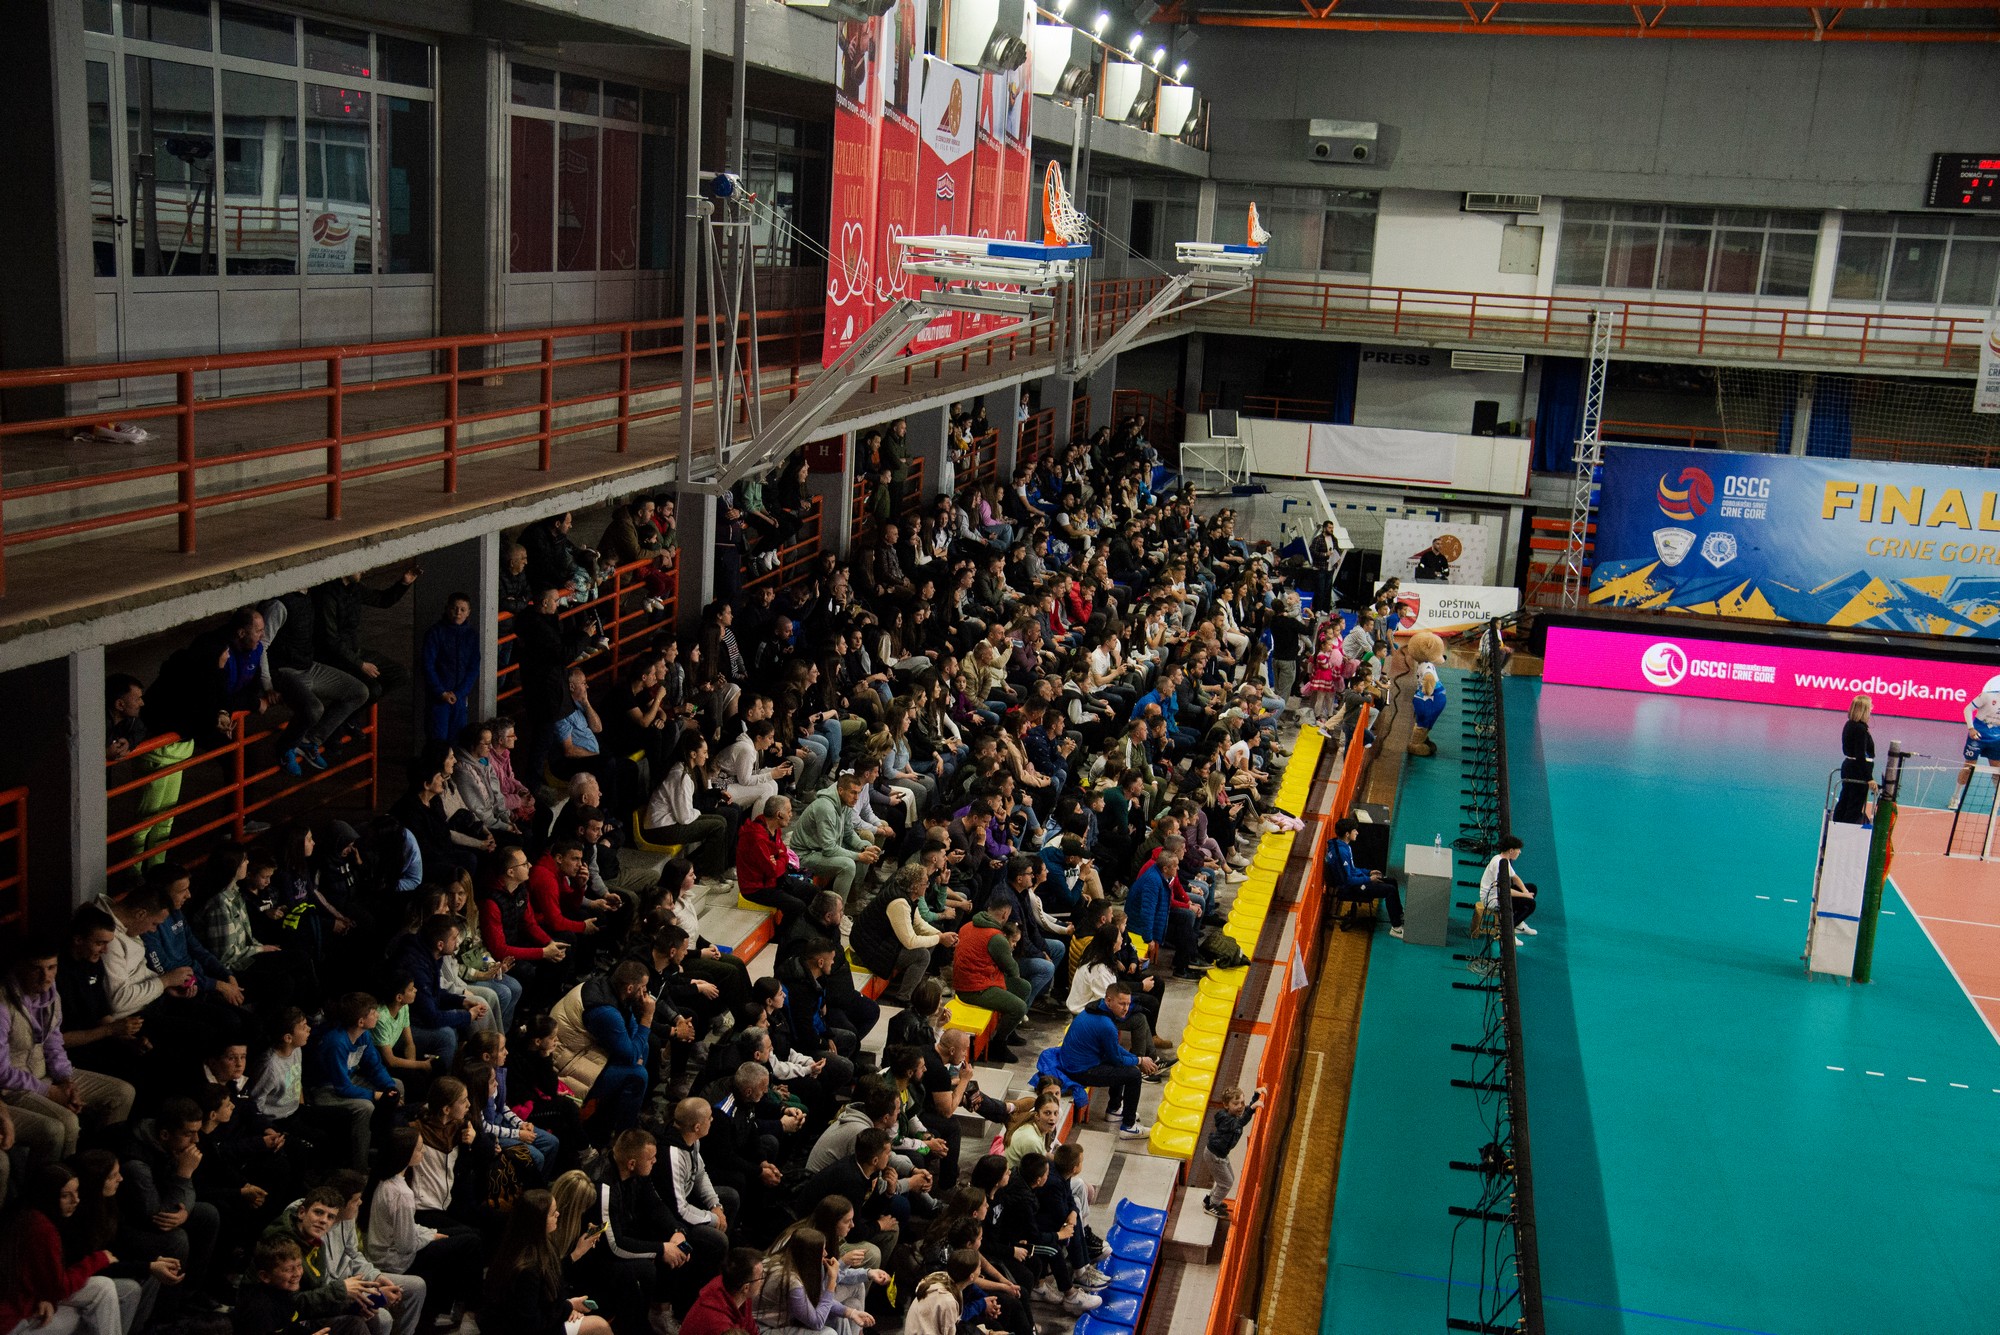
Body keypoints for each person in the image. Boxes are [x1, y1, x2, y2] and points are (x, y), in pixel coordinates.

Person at [0, 939, 136, 1165]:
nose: (46, 976)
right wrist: (50, 1091)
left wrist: (66, 1081)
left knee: (122, 1092)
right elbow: (3, 1072)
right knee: (66, 1123)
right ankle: (59, 1183)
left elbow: (54, 1043)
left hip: (47, 1076)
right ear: (21, 968)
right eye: (37, 968)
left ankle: (99, 1166)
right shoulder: (4, 1004)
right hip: (15, 1087)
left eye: (52, 968)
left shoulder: (51, 994)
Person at [0, 1163, 134, 1335]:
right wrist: (98, 1260)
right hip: (11, 1324)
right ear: (48, 1196)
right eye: (65, 1196)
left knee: (99, 1293)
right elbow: (59, 1287)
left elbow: (41, 1281)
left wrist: (44, 1298)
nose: (75, 1200)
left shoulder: (26, 1214)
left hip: (28, 1305)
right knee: (93, 1303)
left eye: (76, 1192)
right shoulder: (41, 1228)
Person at [478, 1189, 612, 1335]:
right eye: (553, 1213)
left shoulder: (532, 1244)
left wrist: (577, 1253)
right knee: (599, 1326)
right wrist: (567, 1307)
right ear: (539, 1220)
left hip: (539, 1317)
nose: (558, 1214)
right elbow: (531, 1324)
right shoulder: (527, 1267)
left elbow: (552, 1281)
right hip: (523, 1328)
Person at [1055, 983, 1156, 1138]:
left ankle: (1114, 1110)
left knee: (1126, 1066)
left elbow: (1114, 1049)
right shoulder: (1106, 1025)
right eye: (1122, 1003)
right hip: (1080, 1071)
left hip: (1078, 1062)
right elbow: (1116, 1060)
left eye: (1128, 1004)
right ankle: (1129, 1127)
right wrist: (1140, 1061)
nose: (1126, 1008)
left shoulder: (1095, 1009)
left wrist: (1137, 1059)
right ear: (1109, 1001)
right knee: (1133, 1075)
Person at [1324, 817, 1403, 939]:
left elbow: (1352, 870)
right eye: (1355, 830)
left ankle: (1399, 915)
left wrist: (1369, 872)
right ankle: (1396, 928)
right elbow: (1347, 880)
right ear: (1347, 834)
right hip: (1351, 888)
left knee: (1392, 881)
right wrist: (1368, 879)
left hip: (1357, 880)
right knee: (1390, 890)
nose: (1357, 833)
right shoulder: (1341, 852)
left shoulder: (1342, 845)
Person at [1195, 1084, 1263, 1219]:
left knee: (1228, 1179)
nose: (1240, 1106)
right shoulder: (1225, 1118)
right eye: (1236, 1103)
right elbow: (1239, 1123)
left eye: (1242, 1103)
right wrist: (1253, 1108)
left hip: (1221, 1154)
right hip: (1214, 1155)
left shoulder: (1236, 1114)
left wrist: (1256, 1095)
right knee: (1226, 1183)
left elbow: (1247, 1111)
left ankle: (1210, 1200)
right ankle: (1211, 1205)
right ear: (1226, 1105)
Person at [422, 594, 481, 743]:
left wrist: (460, 693)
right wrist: (440, 692)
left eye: (462, 609)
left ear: (468, 612)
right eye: (454, 608)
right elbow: (428, 664)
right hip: (438, 698)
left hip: (459, 699)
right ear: (447, 609)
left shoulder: (471, 635)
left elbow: (473, 668)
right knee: (437, 741)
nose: (458, 612)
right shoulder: (435, 633)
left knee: (458, 740)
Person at [1479, 836, 1538, 941]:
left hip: (1499, 893)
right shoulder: (1499, 863)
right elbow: (1505, 891)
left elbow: (1515, 878)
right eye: (1518, 850)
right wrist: (1525, 895)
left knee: (1532, 888)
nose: (1519, 852)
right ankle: (1507, 932)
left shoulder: (1503, 859)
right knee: (1531, 904)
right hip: (1492, 900)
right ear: (1511, 850)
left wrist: (1525, 891)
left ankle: (1518, 925)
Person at [1834, 694, 1877, 825]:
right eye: (1870, 707)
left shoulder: (1850, 725)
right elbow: (1860, 756)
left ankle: (1836, 827)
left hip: (1849, 767)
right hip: (1857, 771)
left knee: (1845, 800)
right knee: (1854, 806)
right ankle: (1845, 833)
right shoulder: (1860, 729)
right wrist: (1869, 778)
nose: (1872, 710)